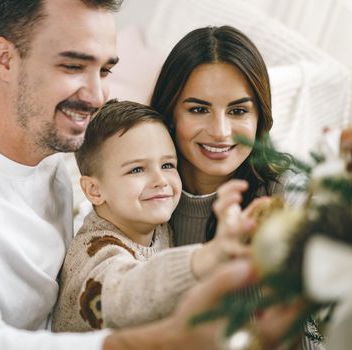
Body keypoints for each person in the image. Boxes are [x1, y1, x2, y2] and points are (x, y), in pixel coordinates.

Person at [0, 1, 267, 349]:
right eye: (73, 65)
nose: (96, 96)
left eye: (105, 69)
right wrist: (164, 340)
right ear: (6, 58)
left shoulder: (55, 158)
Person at [149, 26, 317, 348]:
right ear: (170, 113)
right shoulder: (140, 193)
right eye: (198, 109)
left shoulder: (288, 196)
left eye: (238, 111)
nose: (220, 132)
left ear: (259, 118)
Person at [52, 99, 251, 332]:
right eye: (137, 169)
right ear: (94, 191)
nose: (160, 181)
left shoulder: (156, 228)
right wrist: (206, 256)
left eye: (167, 165)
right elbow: (124, 296)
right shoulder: (94, 252)